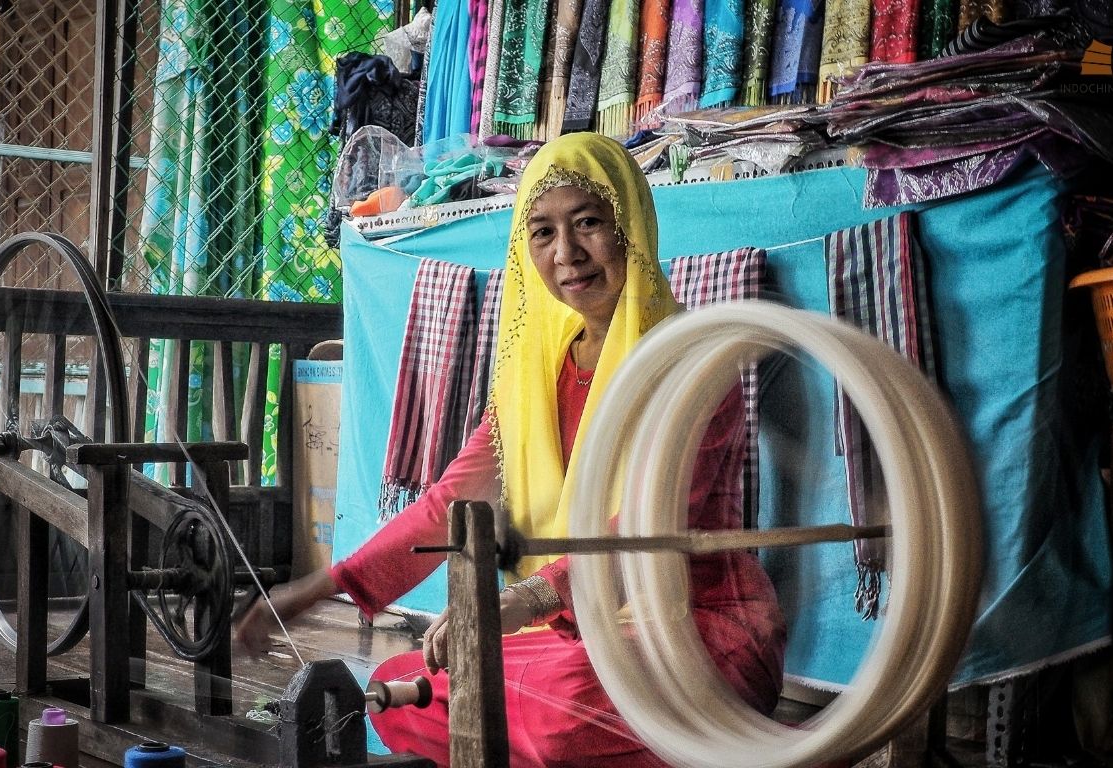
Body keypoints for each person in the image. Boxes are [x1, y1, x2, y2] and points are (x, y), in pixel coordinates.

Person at [235, 132, 786, 767]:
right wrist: (318, 588)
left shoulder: (692, 365)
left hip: (698, 633)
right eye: (543, 232)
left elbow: (646, 524)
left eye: (588, 223)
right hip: (580, 637)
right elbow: (448, 503)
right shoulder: (536, 379)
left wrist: (523, 600)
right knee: (416, 682)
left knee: (555, 712)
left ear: (631, 226)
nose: (568, 254)